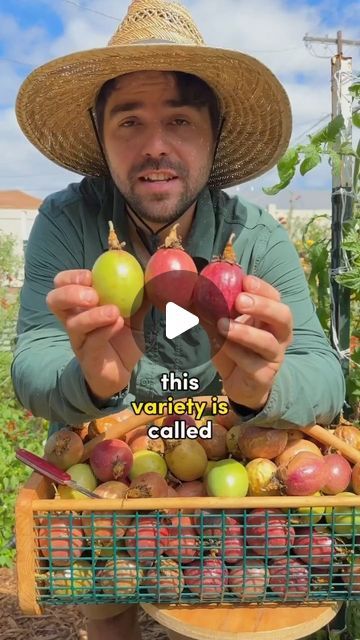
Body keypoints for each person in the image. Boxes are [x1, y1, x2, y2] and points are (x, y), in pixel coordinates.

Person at [12, 0, 345, 638]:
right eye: (129, 121)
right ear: (99, 135)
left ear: (214, 137)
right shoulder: (68, 222)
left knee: (235, 608)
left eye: (181, 120)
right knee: (108, 606)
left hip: (228, 467)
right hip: (107, 462)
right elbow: (32, 358)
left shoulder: (253, 239)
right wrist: (90, 380)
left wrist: (263, 391)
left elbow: (322, 374)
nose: (155, 146)